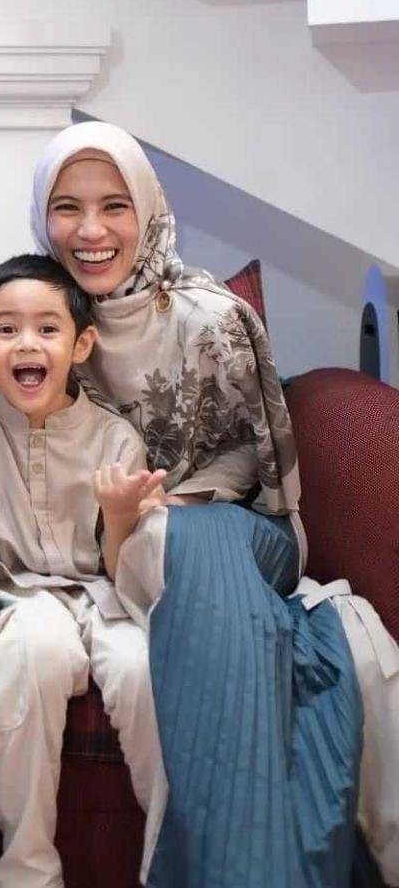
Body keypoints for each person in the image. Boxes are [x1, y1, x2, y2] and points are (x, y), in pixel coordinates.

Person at [30, 120, 399, 887]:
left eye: (114, 205)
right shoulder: (40, 318)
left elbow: (260, 463)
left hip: (241, 530)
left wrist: (166, 502)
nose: (91, 230)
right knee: (300, 648)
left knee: (194, 541)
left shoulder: (209, 315)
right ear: (43, 215)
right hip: (123, 541)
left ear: (147, 209)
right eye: (67, 207)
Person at [0, 254, 167, 888]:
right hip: (18, 595)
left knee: (145, 670)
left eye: (47, 328)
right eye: (7, 330)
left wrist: (120, 515)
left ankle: (171, 862)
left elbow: (124, 570)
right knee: (30, 654)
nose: (27, 344)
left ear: (81, 344)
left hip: (104, 597)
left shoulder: (116, 436)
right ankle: (28, 869)